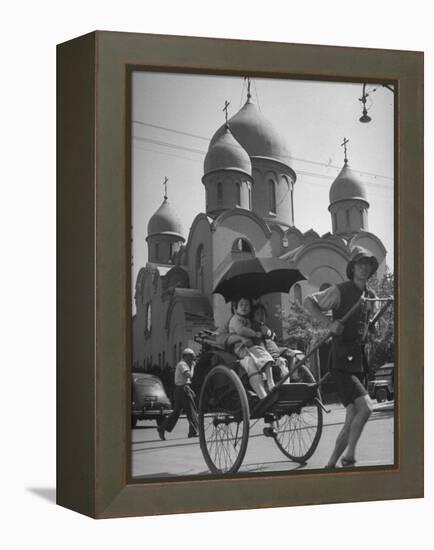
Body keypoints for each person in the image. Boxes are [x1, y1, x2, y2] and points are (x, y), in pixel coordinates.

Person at [303, 246, 378, 468]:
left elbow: (368, 328)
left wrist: (370, 331)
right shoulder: (339, 291)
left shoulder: (371, 296)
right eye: (360, 263)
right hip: (341, 361)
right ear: (352, 267)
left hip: (359, 363)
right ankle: (349, 456)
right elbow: (309, 301)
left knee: (351, 419)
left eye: (368, 264)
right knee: (366, 408)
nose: (364, 267)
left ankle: (330, 465)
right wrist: (328, 323)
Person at [228, 297, 275, 398]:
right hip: (241, 348)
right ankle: (263, 395)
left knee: (266, 356)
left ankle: (271, 384)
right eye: (241, 305)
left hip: (252, 347)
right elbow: (241, 330)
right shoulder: (235, 319)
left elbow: (267, 331)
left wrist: (266, 332)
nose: (244, 307)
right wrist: (255, 334)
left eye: (247, 305)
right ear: (236, 308)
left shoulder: (250, 319)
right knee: (252, 363)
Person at [157, 348, 199, 440]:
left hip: (180, 389)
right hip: (183, 389)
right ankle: (193, 431)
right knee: (191, 410)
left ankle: (162, 428)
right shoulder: (183, 364)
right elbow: (189, 375)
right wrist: (193, 367)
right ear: (186, 356)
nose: (192, 359)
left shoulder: (182, 364)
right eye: (191, 356)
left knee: (176, 412)